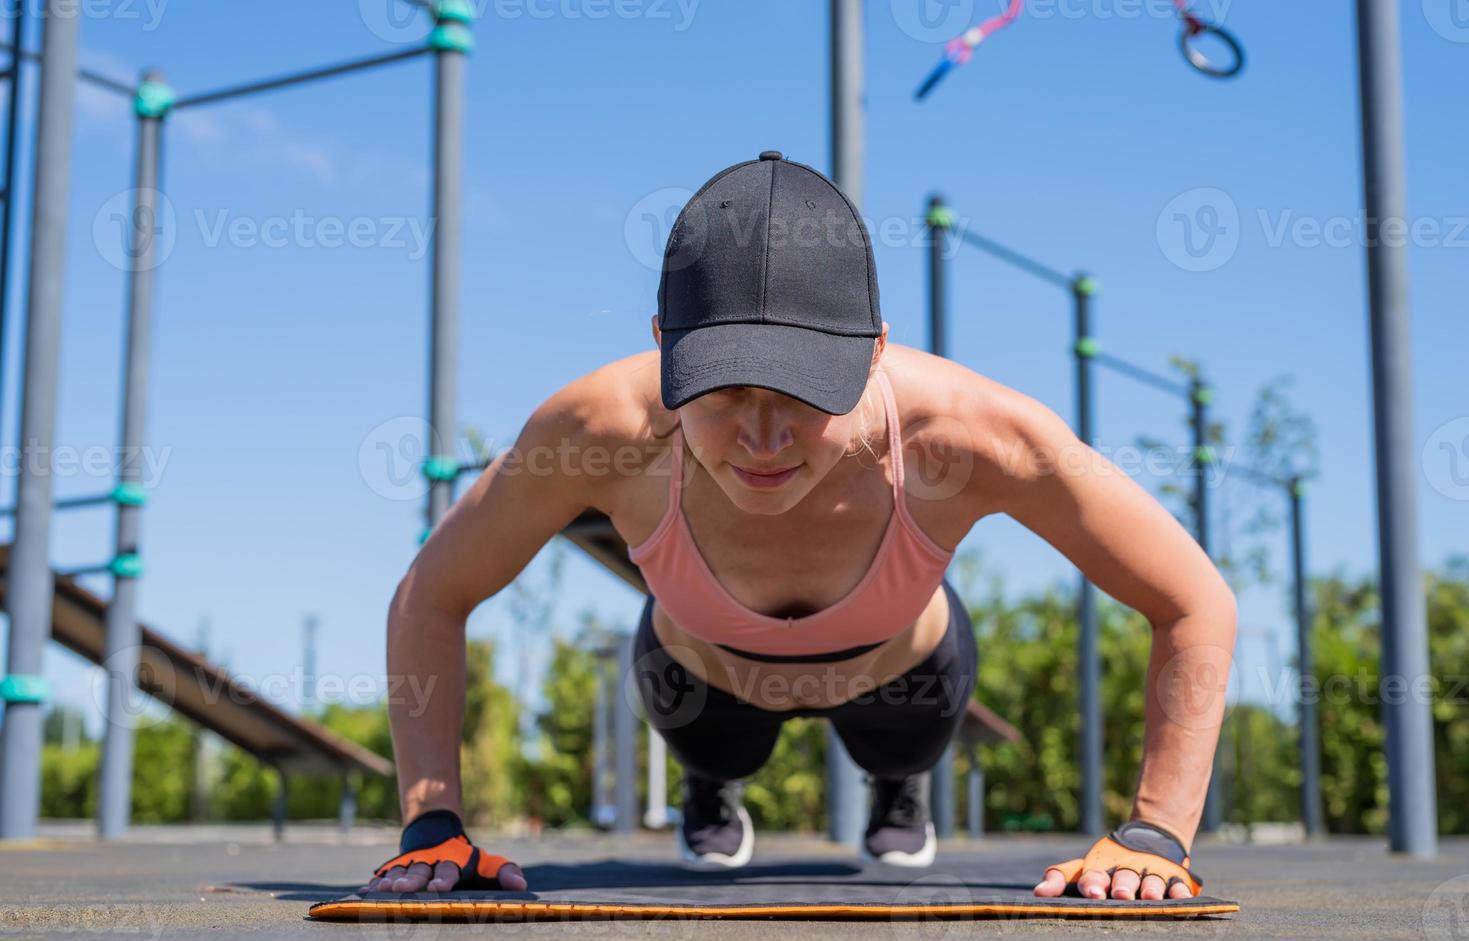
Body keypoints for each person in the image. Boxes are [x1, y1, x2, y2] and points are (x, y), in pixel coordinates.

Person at [362, 152, 1236, 902]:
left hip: (904, 685)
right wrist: (430, 823)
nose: (762, 438)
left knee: (904, 736)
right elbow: (431, 596)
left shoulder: (976, 437)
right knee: (714, 743)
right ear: (664, 342)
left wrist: (1155, 835)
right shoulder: (597, 433)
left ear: (876, 352)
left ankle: (898, 787)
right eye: (724, 392)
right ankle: (711, 785)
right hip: (699, 683)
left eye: (802, 396)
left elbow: (1192, 600)